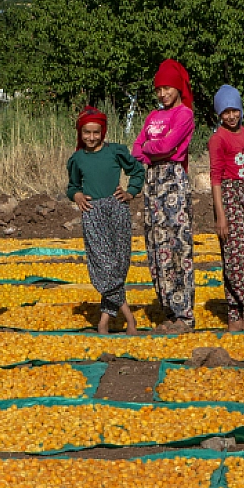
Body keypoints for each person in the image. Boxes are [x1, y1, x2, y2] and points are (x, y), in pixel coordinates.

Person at [132, 59, 197, 334]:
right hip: (153, 182)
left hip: (173, 181)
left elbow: (170, 146)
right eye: (159, 89)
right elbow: (136, 149)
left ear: (178, 88)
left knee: (177, 240)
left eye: (167, 88)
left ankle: (184, 313)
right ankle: (168, 310)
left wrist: (151, 148)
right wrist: (152, 149)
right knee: (157, 242)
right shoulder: (152, 117)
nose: (162, 94)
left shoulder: (184, 115)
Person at [67, 106, 145, 334]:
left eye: (96, 132)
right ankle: (129, 317)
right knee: (105, 266)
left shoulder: (115, 152)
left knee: (119, 265)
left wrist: (131, 191)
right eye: (86, 133)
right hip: (92, 212)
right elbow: (72, 186)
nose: (91, 137)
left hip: (116, 210)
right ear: (80, 133)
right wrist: (77, 195)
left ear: (103, 132)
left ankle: (104, 321)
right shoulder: (77, 159)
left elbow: (137, 170)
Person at [208, 85, 244, 332]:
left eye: (235, 110)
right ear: (219, 115)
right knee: (236, 257)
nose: (231, 116)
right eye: (226, 112)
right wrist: (221, 215)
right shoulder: (217, 139)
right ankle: (243, 311)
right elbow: (215, 178)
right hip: (230, 199)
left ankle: (242, 313)